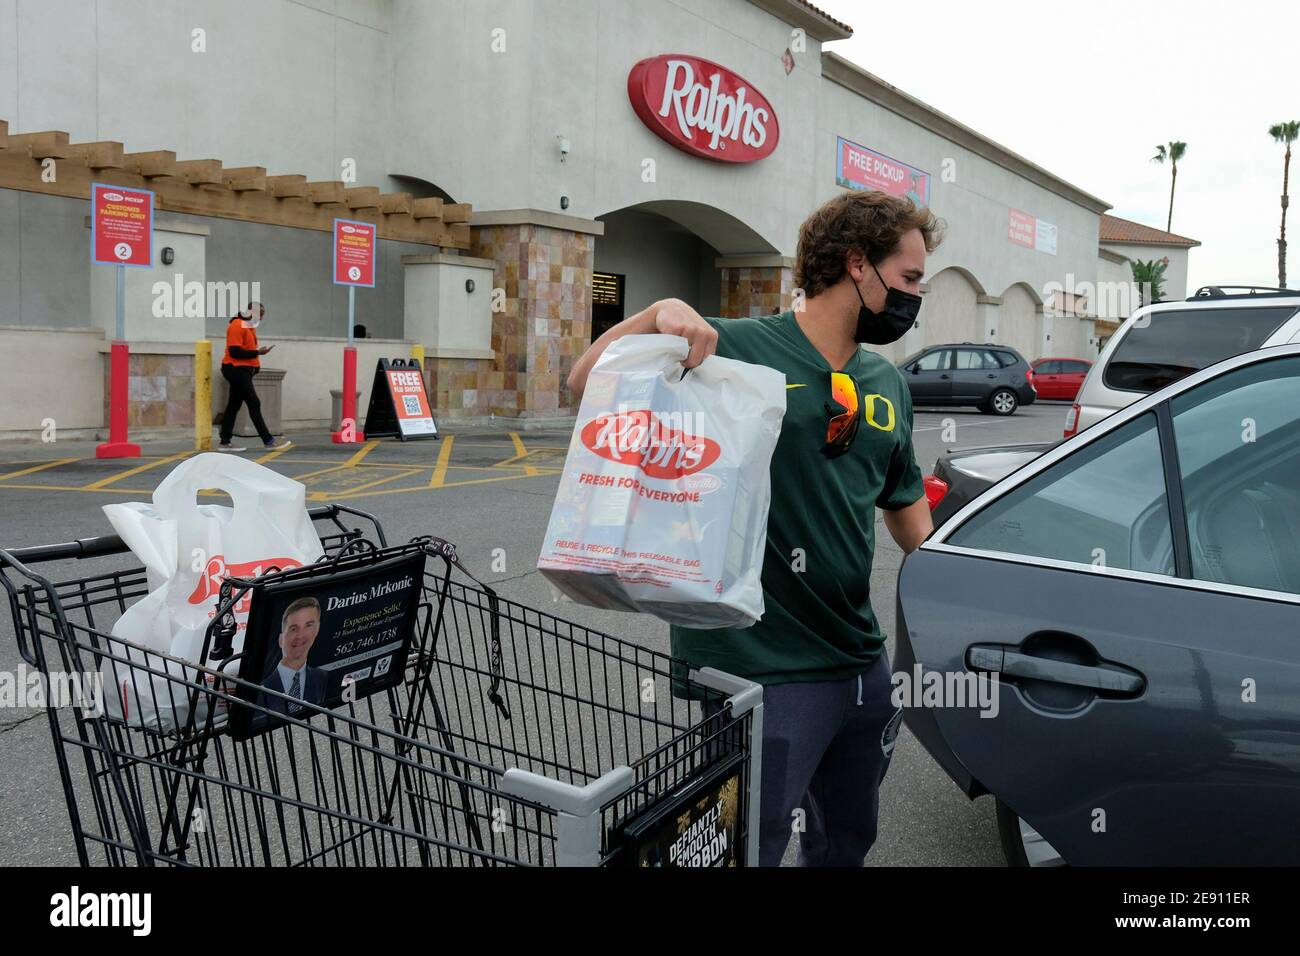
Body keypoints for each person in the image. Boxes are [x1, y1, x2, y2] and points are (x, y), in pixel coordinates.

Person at [566, 190, 943, 866]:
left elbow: (909, 513)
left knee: (847, 841)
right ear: (858, 264)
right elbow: (584, 380)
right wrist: (658, 314)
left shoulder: (886, 383)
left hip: (861, 665)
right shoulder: (736, 349)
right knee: (748, 848)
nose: (916, 297)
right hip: (762, 670)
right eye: (910, 279)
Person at [219, 301, 292, 452]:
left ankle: (225, 442)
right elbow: (234, 352)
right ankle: (268, 441)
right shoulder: (237, 325)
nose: (261, 318)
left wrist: (257, 356)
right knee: (254, 403)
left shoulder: (248, 326)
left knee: (234, 405)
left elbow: (246, 350)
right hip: (235, 369)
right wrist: (258, 352)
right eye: (260, 315)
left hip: (242, 370)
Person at [258, 596, 327, 715]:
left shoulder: (322, 678)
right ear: (280, 640)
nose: (300, 635)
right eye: (293, 629)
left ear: (317, 629)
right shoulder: (260, 688)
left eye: (308, 625)